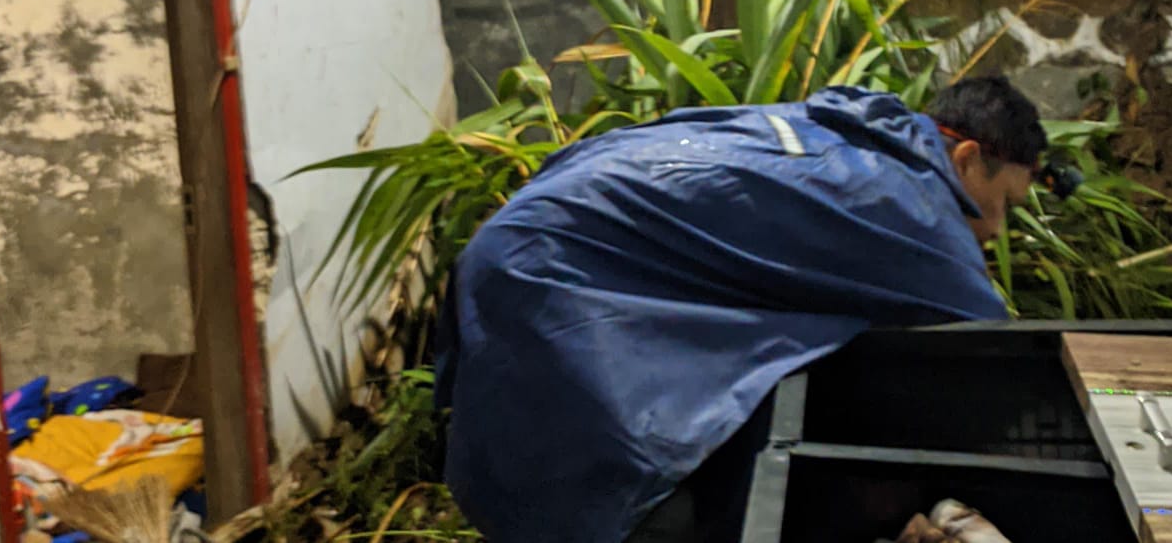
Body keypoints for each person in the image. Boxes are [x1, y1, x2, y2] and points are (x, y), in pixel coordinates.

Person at [434, 76, 1049, 543]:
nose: (997, 228)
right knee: (628, 497)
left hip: (528, 232)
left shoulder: (860, 132)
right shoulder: (916, 207)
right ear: (966, 157)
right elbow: (994, 347)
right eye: (1004, 203)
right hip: (554, 273)